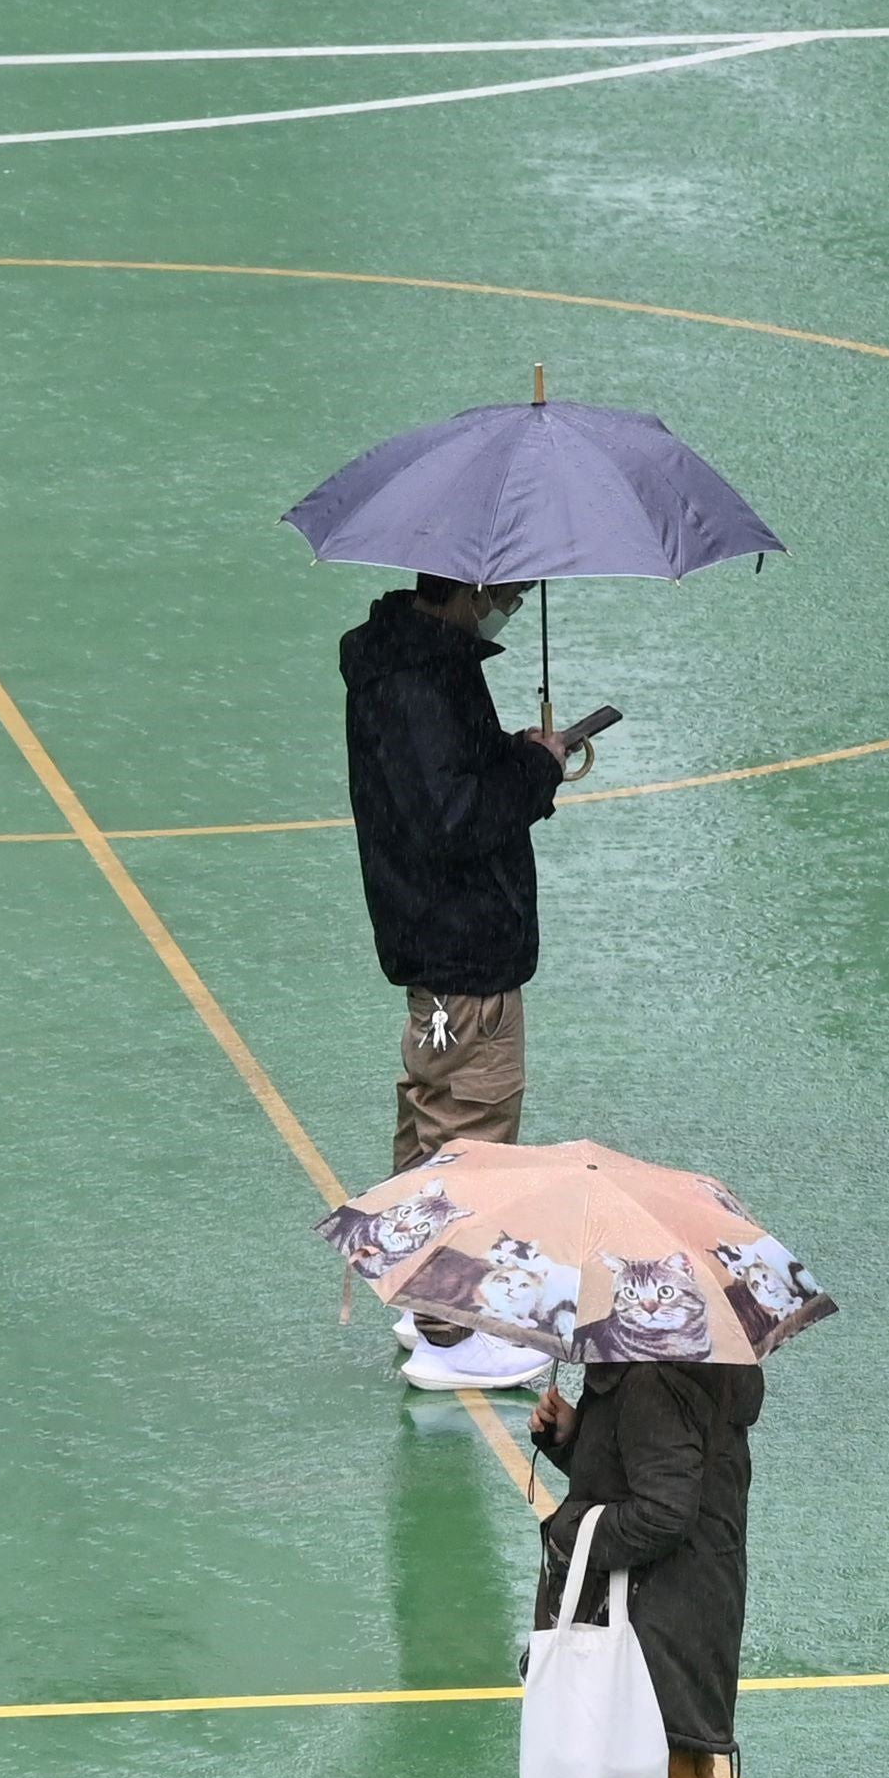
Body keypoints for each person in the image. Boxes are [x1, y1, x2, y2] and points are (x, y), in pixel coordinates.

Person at [343, 573, 587, 1393]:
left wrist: (514, 758)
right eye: (511, 588)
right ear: (473, 583)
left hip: (433, 942)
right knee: (473, 1137)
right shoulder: (425, 676)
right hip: (467, 947)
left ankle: (420, 1294)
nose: (516, 599)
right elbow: (453, 819)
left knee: (429, 1121)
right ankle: (454, 1333)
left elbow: (439, 786)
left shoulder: (403, 660)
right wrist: (534, 772)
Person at [537, 1352, 766, 1778]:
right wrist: (575, 1440)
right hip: (699, 1599)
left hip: (658, 1613)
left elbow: (662, 1510)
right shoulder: (703, 1362)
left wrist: (569, 1530)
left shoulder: (647, 1379)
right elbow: (656, 1469)